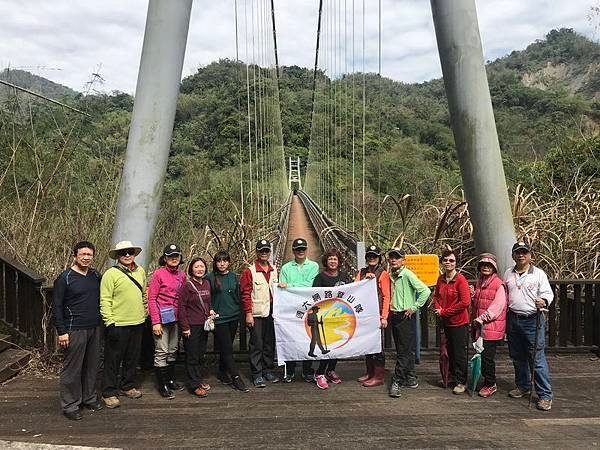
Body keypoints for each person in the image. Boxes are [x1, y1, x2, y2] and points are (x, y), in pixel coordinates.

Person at [53, 241, 102, 420]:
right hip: (74, 329)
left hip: (94, 327)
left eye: (89, 255)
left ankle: (89, 398)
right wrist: (61, 331)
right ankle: (70, 405)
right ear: (75, 256)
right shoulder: (64, 278)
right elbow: (56, 306)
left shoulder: (95, 275)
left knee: (91, 366)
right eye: (83, 254)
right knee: (72, 368)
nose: (86, 257)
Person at [504, 242, 554, 411]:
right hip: (513, 318)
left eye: (524, 252)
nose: (521, 255)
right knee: (517, 356)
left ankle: (545, 395)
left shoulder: (538, 274)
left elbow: (548, 293)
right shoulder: (508, 273)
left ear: (530, 255)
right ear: (513, 256)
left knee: (536, 359)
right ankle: (523, 385)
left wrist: (544, 301)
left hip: (533, 319)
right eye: (517, 252)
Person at [100, 240, 147, 409]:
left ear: (134, 254)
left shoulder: (140, 271)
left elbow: (143, 294)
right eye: (123, 253)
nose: (127, 255)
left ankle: (128, 385)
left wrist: (145, 312)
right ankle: (109, 392)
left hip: (138, 321)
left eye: (129, 252)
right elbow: (105, 300)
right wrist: (109, 322)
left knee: (132, 357)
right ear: (118, 256)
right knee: (113, 359)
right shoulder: (110, 274)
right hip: (118, 323)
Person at [387, 248, 431, 398]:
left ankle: (397, 381)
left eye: (397, 258)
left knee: (404, 351)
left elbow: (425, 291)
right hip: (395, 316)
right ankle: (411, 377)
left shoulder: (407, 274)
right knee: (403, 349)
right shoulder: (391, 275)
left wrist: (414, 307)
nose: (394, 260)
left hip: (405, 316)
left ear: (403, 260)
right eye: (392, 257)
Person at [147, 244, 186, 399]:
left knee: (172, 349)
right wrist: (155, 321)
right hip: (161, 319)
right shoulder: (158, 274)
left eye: (176, 256)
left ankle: (170, 379)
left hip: (176, 318)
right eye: (170, 256)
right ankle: (162, 384)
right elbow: (151, 298)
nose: (174, 258)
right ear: (165, 258)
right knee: (161, 350)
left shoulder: (182, 276)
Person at [278, 238, 320, 383]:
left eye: (303, 249)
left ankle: (307, 370)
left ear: (307, 250)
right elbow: (280, 288)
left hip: (307, 308)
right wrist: (291, 287)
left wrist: (289, 285)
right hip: (289, 309)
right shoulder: (285, 268)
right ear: (293, 251)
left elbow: (310, 284)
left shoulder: (314, 266)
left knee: (306, 337)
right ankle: (289, 370)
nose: (300, 251)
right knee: (290, 337)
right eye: (297, 249)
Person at [207, 250, 249, 392]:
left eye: (225, 260)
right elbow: (206, 297)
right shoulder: (210, 278)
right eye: (219, 261)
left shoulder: (234, 277)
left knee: (227, 345)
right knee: (227, 348)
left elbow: (239, 294)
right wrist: (210, 310)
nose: (222, 263)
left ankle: (222, 371)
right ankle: (236, 377)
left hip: (233, 315)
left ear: (229, 262)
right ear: (215, 263)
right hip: (220, 318)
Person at [240, 239, 280, 388]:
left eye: (266, 251)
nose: (264, 253)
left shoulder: (274, 269)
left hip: (272, 312)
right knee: (257, 344)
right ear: (257, 252)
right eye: (261, 251)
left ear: (269, 253)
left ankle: (268, 369)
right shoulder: (249, 271)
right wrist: (248, 314)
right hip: (257, 313)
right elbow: (245, 293)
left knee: (269, 343)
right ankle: (257, 374)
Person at [432, 249, 471, 395]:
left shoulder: (461, 280)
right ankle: (451, 377)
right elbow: (436, 296)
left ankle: (462, 381)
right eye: (446, 260)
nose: (448, 263)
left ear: (456, 263)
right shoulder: (440, 279)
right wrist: (438, 308)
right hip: (445, 322)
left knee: (460, 352)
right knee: (449, 352)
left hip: (459, 322)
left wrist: (445, 312)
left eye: (451, 260)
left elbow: (464, 302)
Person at [177, 257, 215, 397]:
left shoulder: (206, 283)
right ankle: (194, 385)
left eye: (202, 266)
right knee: (192, 355)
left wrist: (211, 311)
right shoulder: (187, 286)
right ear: (191, 269)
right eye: (196, 267)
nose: (200, 269)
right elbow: (181, 307)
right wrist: (185, 327)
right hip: (191, 325)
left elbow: (208, 301)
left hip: (203, 324)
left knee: (200, 354)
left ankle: (198, 379)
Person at [471, 253, 508, 398]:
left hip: (491, 326)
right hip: (480, 326)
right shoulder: (480, 282)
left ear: (494, 268)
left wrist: (482, 318)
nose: (486, 267)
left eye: (489, 265)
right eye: (483, 265)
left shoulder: (498, 284)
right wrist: (473, 295)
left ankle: (490, 384)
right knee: (481, 354)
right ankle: (486, 381)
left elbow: (497, 307)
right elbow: (479, 302)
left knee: (487, 357)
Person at [354, 244, 391, 387]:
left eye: (374, 256)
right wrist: (365, 280)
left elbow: (387, 296)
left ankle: (378, 376)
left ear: (379, 258)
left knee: (378, 346)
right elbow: (354, 288)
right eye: (369, 256)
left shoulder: (383, 274)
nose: (372, 258)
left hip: (377, 314)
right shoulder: (361, 272)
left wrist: (384, 317)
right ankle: (369, 373)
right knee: (367, 344)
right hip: (365, 315)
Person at [311, 248, 348, 389]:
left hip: (340, 316)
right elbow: (314, 297)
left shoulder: (344, 276)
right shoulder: (320, 278)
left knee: (338, 345)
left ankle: (331, 370)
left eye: (335, 259)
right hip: (325, 318)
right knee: (327, 345)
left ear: (339, 262)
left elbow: (353, 291)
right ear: (326, 261)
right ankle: (320, 373)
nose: (333, 261)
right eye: (330, 259)